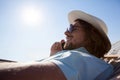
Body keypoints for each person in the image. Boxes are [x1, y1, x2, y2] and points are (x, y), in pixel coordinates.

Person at [0, 10, 113, 80]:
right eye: (68, 27)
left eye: (73, 28)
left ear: (91, 38)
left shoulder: (80, 59)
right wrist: (53, 57)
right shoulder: (80, 59)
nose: (66, 32)